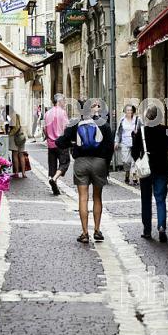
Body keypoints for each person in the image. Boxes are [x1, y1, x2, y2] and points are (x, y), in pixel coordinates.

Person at [56, 99, 114, 244]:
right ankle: (97, 230)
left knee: (83, 197)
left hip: (81, 163)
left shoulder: (74, 124)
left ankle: (84, 233)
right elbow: (110, 146)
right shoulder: (103, 124)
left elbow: (59, 142)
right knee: (97, 197)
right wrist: (106, 164)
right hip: (99, 162)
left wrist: (73, 144)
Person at [131, 105, 168, 243]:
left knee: (146, 200)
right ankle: (161, 227)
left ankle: (147, 231)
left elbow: (134, 152)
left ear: (147, 117)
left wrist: (140, 157)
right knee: (160, 199)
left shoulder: (142, 131)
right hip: (162, 168)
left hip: (146, 170)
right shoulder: (166, 129)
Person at [44, 94, 70, 195]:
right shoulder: (62, 113)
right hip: (61, 143)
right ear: (59, 101)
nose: (65, 102)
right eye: (64, 100)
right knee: (64, 163)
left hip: (51, 144)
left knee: (52, 166)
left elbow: (44, 129)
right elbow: (66, 128)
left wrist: (48, 138)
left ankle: (54, 184)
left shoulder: (47, 113)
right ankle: (54, 179)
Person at [114, 104, 139, 185]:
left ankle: (134, 176)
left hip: (135, 143)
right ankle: (127, 172)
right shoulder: (122, 120)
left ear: (133, 111)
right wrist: (116, 141)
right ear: (125, 111)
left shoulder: (138, 120)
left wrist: (137, 132)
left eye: (131, 110)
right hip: (125, 142)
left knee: (134, 160)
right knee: (125, 161)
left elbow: (143, 130)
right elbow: (118, 132)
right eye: (128, 110)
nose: (129, 112)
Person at [9, 112, 27, 178]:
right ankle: (23, 173)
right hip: (22, 136)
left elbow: (16, 127)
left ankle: (16, 172)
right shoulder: (19, 116)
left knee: (15, 154)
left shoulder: (13, 117)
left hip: (15, 137)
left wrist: (10, 134)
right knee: (21, 155)